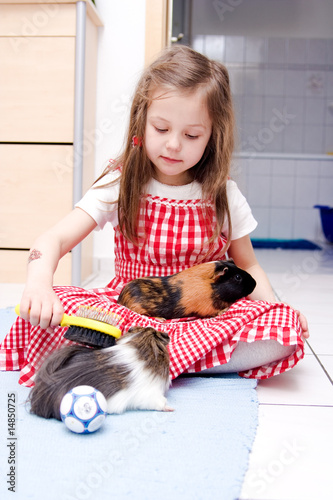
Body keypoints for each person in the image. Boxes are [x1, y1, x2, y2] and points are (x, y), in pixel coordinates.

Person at [0, 45, 308, 387]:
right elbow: (54, 239)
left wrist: (276, 308)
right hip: (131, 315)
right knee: (49, 313)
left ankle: (142, 358)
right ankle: (177, 358)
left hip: (204, 321)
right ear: (141, 122)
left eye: (191, 135)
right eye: (161, 129)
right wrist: (39, 284)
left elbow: (248, 266)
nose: (174, 144)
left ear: (212, 136)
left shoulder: (223, 195)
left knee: (284, 329)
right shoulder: (120, 184)